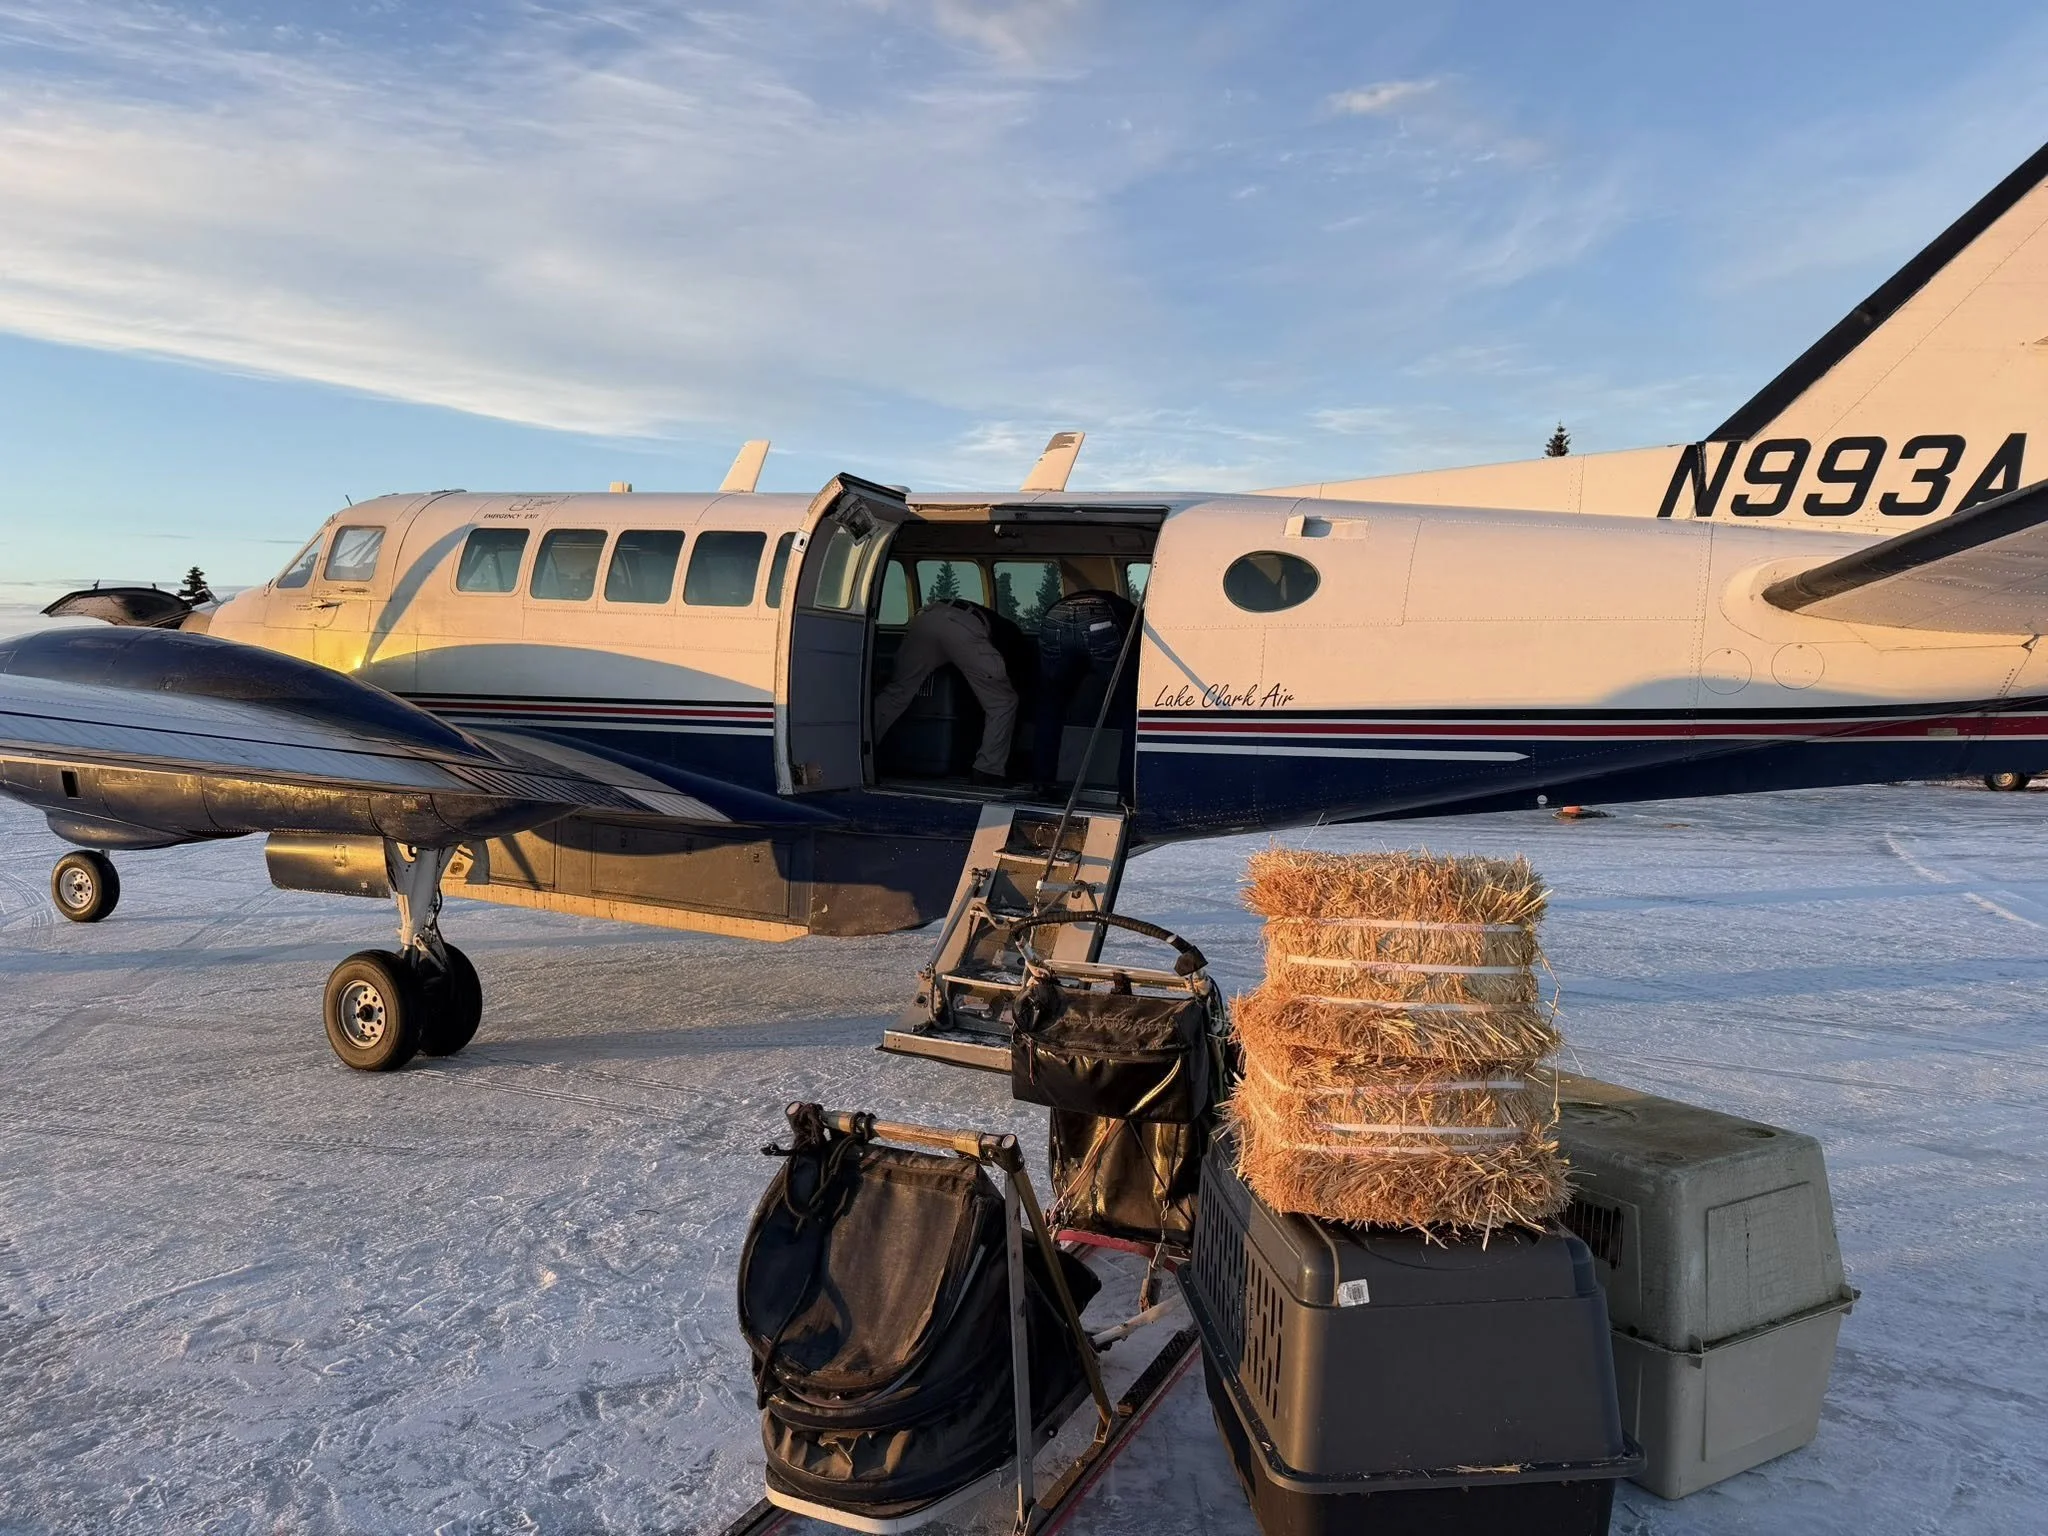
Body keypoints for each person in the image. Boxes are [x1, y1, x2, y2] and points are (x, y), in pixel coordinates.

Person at [871, 597, 1019, 784]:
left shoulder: (998, 625)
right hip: (963, 627)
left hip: (926, 618)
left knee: (897, 691)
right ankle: (988, 770)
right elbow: (1000, 676)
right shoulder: (1012, 636)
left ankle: (860, 749)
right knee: (1003, 702)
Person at [1032, 588, 1137, 793]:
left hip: (1055, 616)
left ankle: (1041, 782)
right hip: (1100, 619)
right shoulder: (1132, 614)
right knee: (1131, 706)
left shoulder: (1114, 603)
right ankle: (1128, 790)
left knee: (1051, 703)